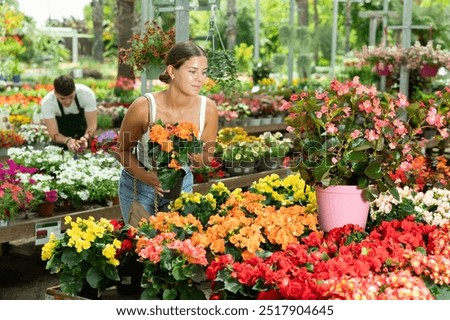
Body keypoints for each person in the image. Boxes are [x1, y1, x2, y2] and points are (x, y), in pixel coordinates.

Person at [115, 41, 219, 222]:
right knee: (142, 245)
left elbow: (206, 156)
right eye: (192, 71)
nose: (200, 79)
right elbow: (121, 151)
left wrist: (186, 147)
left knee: (175, 245)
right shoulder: (144, 107)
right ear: (172, 71)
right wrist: (148, 177)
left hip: (181, 184)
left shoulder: (208, 108)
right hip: (138, 186)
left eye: (204, 72)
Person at [41, 74, 97, 152]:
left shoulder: (86, 94)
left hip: (83, 133)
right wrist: (67, 141)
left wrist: (86, 137)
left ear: (75, 90)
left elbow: (92, 124)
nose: (67, 102)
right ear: (55, 93)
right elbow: (53, 133)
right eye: (62, 98)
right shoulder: (48, 103)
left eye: (71, 97)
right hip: (61, 138)